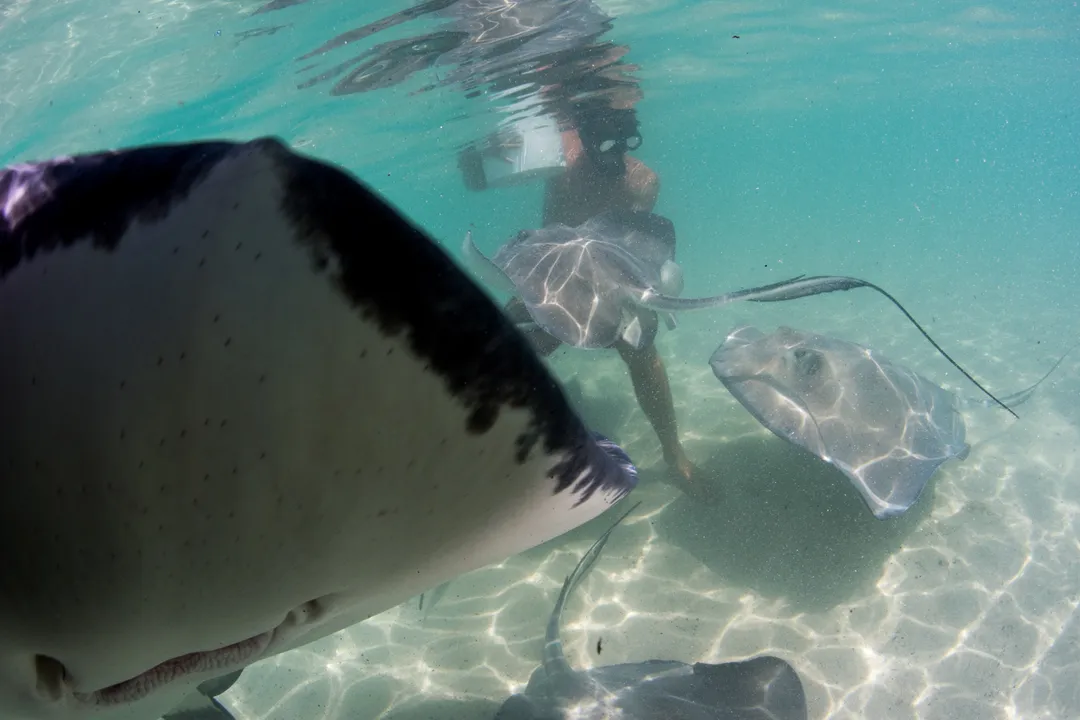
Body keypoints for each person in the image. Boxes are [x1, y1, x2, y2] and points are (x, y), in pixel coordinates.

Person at [461, 105, 698, 485]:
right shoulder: (558, 158)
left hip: (607, 283)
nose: (612, 151)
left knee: (642, 355)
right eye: (600, 140)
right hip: (548, 278)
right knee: (501, 352)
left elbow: (635, 251)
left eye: (622, 141)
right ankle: (496, 447)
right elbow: (473, 178)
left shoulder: (642, 182)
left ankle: (673, 451)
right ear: (582, 134)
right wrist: (482, 151)